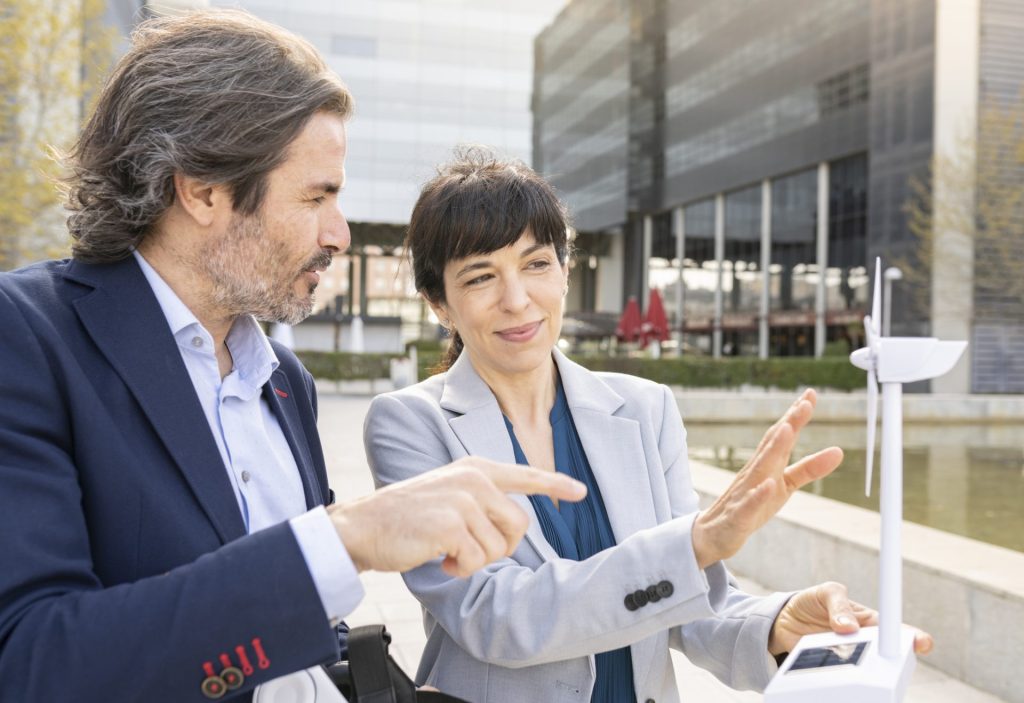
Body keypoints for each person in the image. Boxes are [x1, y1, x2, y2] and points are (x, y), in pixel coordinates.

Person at [0, 12, 587, 703]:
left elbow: (290, 640)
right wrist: (345, 539)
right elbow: (33, 663)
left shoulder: (285, 383)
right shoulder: (28, 338)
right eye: (317, 196)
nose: (338, 232)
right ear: (203, 190)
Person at [363, 150, 933, 703]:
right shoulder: (411, 425)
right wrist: (696, 545)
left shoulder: (644, 409)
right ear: (439, 304)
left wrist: (778, 625)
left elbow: (689, 606)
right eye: (481, 277)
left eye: (536, 264)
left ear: (565, 271)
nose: (517, 300)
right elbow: (492, 617)